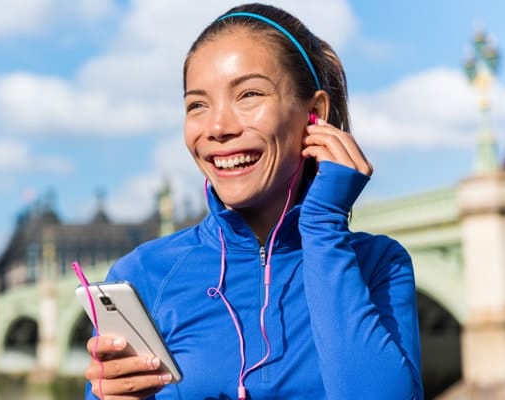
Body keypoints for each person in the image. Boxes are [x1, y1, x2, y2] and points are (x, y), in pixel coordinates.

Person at [83, 3, 423, 399]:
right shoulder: (142, 275)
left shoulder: (379, 266)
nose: (217, 127)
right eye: (197, 105)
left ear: (314, 114)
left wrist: (322, 226)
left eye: (248, 94)